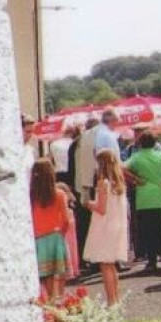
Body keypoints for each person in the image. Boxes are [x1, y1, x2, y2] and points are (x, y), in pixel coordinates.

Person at [125, 130, 161, 272]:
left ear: (141, 143)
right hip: (158, 196)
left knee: (146, 230)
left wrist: (135, 179)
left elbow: (121, 168)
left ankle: (151, 260)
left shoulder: (136, 157)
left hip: (143, 197)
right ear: (155, 143)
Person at [84, 149, 131, 305]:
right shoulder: (119, 184)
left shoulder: (103, 183)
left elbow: (101, 208)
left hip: (105, 226)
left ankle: (111, 300)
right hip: (116, 225)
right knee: (111, 265)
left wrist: (88, 204)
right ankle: (115, 298)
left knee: (105, 265)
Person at [30, 157, 70, 300]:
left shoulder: (31, 196)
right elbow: (66, 220)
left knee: (43, 278)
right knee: (56, 276)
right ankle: (56, 304)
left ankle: (49, 305)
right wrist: (61, 234)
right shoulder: (59, 194)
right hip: (55, 235)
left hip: (38, 238)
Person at [70, 115, 100, 270]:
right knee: (92, 225)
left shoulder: (76, 143)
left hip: (80, 187)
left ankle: (86, 258)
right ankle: (92, 259)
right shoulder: (90, 143)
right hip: (89, 188)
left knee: (85, 225)